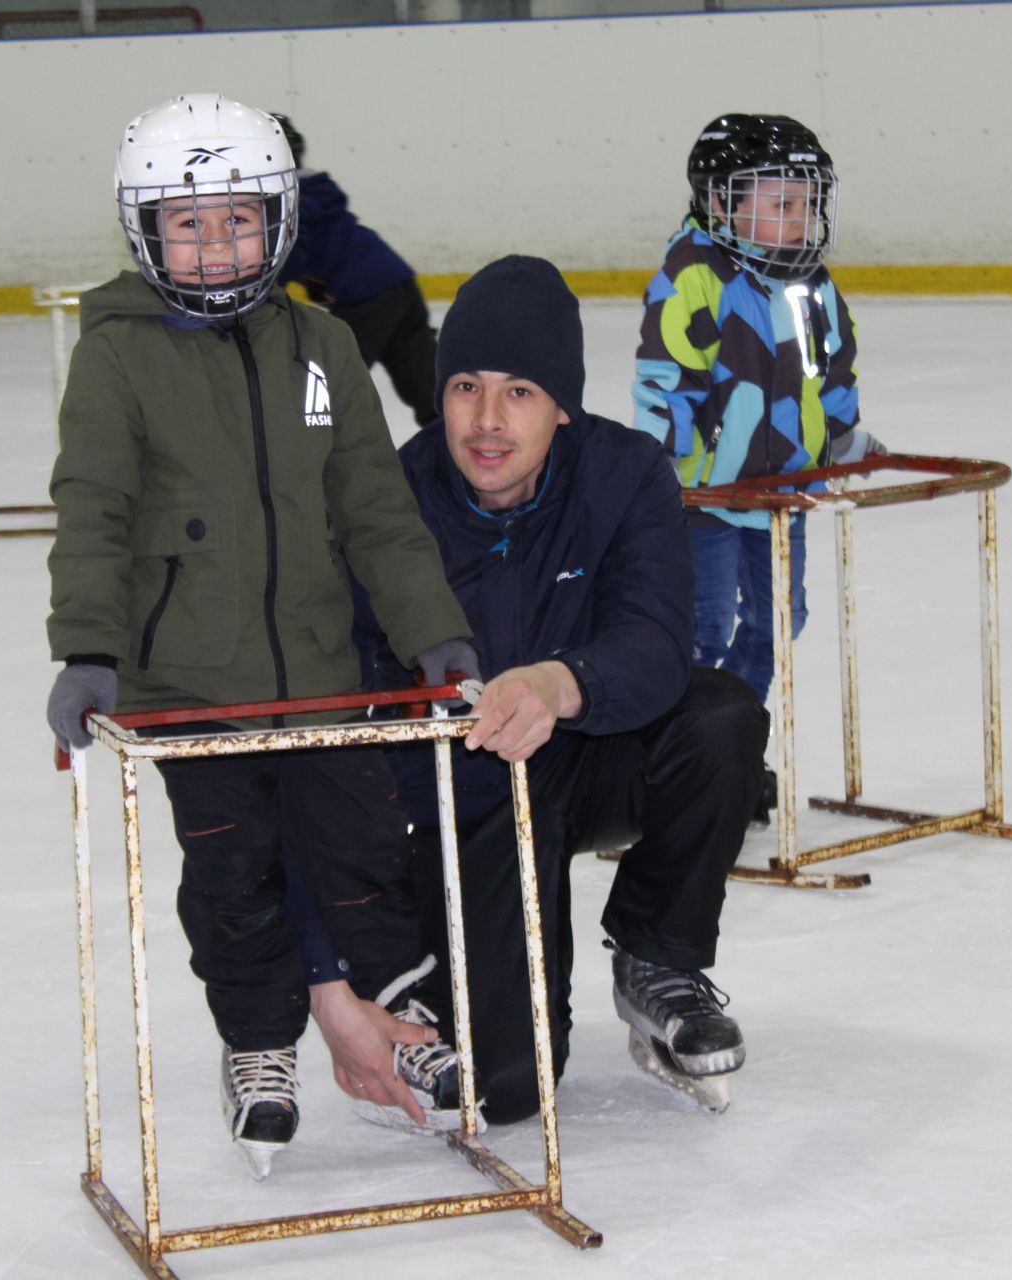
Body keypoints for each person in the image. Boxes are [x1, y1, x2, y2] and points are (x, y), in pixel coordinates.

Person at [42, 92, 478, 1178]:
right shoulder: (117, 356)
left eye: (240, 219)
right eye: (188, 224)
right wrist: (86, 646)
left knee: (365, 852)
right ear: (145, 231)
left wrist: (434, 630)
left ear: (280, 222)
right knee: (232, 876)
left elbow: (376, 507)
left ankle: (399, 1019)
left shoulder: (322, 340)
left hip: (324, 667)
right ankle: (258, 1044)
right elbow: (91, 503)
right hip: (188, 679)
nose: (215, 244)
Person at [308, 255, 771, 1125]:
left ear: (563, 403)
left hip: (591, 756)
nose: (486, 421)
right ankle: (456, 984)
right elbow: (348, 712)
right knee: (510, 1089)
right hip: (466, 801)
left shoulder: (626, 472)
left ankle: (656, 957)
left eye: (519, 392)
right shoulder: (389, 501)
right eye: (465, 387)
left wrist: (562, 683)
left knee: (720, 720)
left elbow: (659, 643)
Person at [632, 114, 880, 822]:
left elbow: (830, 371)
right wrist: (651, 468)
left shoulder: (812, 286)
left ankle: (729, 746)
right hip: (703, 498)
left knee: (779, 621)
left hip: (780, 497)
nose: (799, 220)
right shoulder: (692, 277)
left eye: (806, 204)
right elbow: (663, 381)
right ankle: (681, 758)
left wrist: (844, 439)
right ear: (720, 203)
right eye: (780, 204)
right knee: (705, 628)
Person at [270, 112, 441, 428]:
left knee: (331, 377)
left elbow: (292, 252)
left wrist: (263, 287)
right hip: (397, 281)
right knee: (423, 381)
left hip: (367, 297)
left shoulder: (290, 200)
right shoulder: (311, 189)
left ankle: (310, 446)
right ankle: (445, 440)